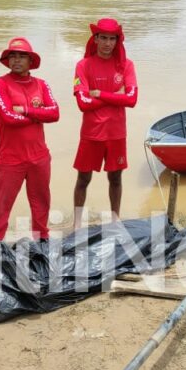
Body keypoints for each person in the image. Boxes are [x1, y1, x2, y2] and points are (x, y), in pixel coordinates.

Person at [0, 37, 60, 242]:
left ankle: (42, 243)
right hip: (10, 159)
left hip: (40, 156)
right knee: (0, 208)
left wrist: (27, 110)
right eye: (13, 56)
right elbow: (8, 118)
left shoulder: (41, 85)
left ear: (30, 61)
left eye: (22, 56)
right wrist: (38, 114)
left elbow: (55, 113)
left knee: (41, 204)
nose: (16, 60)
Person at [72, 18, 138, 229]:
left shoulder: (126, 65)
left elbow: (132, 100)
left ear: (117, 41)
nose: (108, 44)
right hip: (91, 133)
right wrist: (116, 96)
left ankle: (115, 220)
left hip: (116, 133)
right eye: (104, 38)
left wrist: (99, 94)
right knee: (83, 179)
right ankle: (76, 223)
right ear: (96, 38)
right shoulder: (83, 65)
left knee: (116, 179)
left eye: (112, 39)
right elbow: (82, 103)